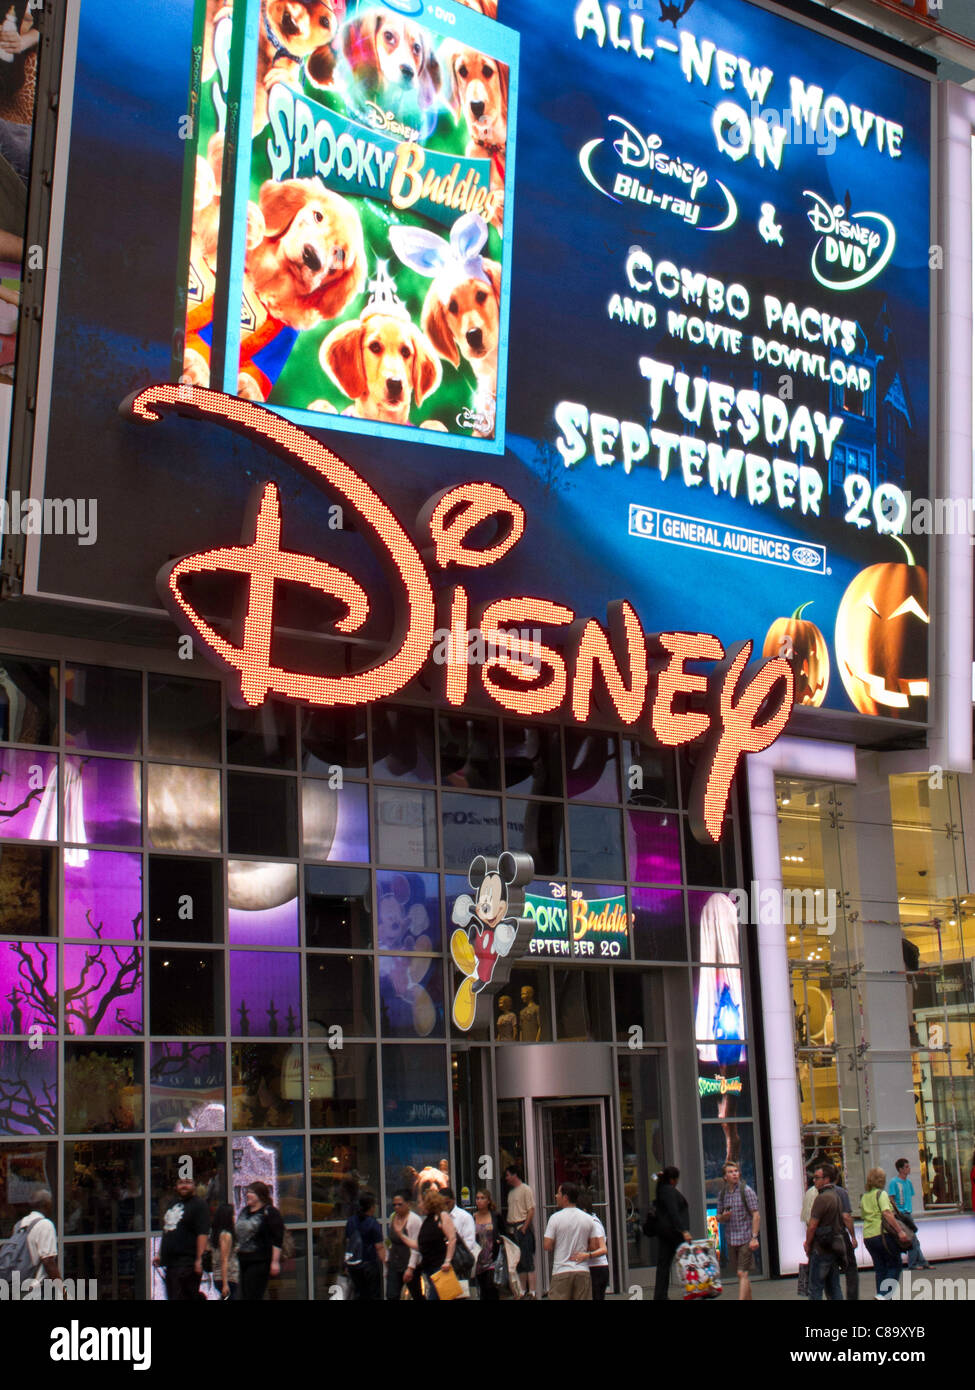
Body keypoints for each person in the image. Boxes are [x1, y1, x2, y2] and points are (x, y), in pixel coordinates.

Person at [153, 1175, 209, 1301]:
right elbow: (168, 1229)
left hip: (187, 1263)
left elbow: (202, 1234)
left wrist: (199, 1260)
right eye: (180, 1183)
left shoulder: (199, 1205)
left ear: (194, 1185)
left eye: (188, 1183)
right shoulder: (172, 1203)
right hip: (171, 1264)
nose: (184, 1186)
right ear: (176, 1186)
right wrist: (160, 1254)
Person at [398, 1186, 458, 1300]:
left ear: (429, 1203)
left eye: (421, 1202)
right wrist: (401, 1235)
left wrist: (447, 1261)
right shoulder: (427, 1220)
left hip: (440, 1268)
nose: (419, 1205)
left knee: (436, 1297)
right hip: (429, 1268)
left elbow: (452, 1238)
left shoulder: (442, 1216)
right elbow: (420, 1245)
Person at [543, 1182, 600, 1300]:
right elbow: (594, 1245)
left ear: (565, 1197)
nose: (555, 1196)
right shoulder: (588, 1219)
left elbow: (547, 1245)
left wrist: (561, 1243)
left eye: (558, 1193)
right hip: (582, 1270)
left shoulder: (555, 1218)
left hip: (561, 1270)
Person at [716, 1160, 759, 1300]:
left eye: (736, 1171)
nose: (734, 1174)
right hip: (731, 1238)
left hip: (745, 1237)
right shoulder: (723, 1194)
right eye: (730, 1172)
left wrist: (754, 1237)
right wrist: (723, 1216)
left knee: (742, 1273)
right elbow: (718, 1217)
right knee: (742, 1274)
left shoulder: (746, 1191)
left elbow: (756, 1214)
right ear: (725, 1177)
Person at [804, 1162, 846, 1301]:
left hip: (821, 1247)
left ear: (826, 1179)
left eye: (817, 1177)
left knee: (815, 1287)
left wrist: (808, 1244)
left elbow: (812, 1225)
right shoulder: (836, 1196)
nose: (814, 1180)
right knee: (834, 1287)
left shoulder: (821, 1198)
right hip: (833, 1245)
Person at [235, 1181, 285, 1301]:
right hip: (242, 1260)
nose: (247, 1195)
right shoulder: (245, 1211)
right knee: (244, 1295)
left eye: (251, 1192)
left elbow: (277, 1238)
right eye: (247, 1192)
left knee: (254, 1294)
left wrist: (275, 1262)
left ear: (260, 1195)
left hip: (260, 1261)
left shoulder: (270, 1212)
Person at [861, 1167, 904, 1298]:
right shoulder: (881, 1194)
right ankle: (883, 1294)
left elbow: (863, 1216)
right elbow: (886, 1213)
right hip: (882, 1234)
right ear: (881, 1180)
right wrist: (900, 1231)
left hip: (868, 1236)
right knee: (895, 1265)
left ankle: (882, 1295)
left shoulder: (865, 1196)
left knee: (880, 1268)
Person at [653, 1166, 691, 1302]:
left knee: (664, 1264)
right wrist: (684, 1230)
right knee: (688, 1259)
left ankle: (660, 1295)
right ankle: (695, 1287)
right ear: (673, 1179)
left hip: (666, 1232)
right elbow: (674, 1212)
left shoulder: (661, 1189)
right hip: (673, 1233)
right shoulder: (668, 1191)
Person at [11, 1187, 60, 1287]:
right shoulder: (45, 1224)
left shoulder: (19, 1224)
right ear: (46, 1205)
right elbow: (48, 1262)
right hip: (36, 1288)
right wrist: (63, 1292)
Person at [889, 1159, 933, 1270]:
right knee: (912, 1239)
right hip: (902, 1214)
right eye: (907, 1167)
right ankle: (914, 1263)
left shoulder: (908, 1182)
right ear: (901, 1169)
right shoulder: (894, 1182)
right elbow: (891, 1199)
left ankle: (921, 1261)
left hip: (908, 1213)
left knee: (914, 1239)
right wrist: (897, 1212)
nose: (909, 1169)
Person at [344, 1191, 385, 1300]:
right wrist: (386, 1264)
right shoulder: (373, 1223)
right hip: (369, 1264)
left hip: (354, 1265)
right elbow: (379, 1247)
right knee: (373, 1294)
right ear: (371, 1206)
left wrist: (346, 1264)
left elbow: (348, 1243)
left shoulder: (351, 1221)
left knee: (358, 1293)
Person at [504, 1163, 537, 1299]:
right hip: (512, 1229)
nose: (506, 1178)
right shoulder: (511, 1193)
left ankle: (533, 1291)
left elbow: (531, 1209)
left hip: (522, 1227)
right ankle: (523, 1290)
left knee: (528, 1260)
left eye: (507, 1175)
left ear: (514, 1175)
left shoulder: (525, 1189)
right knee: (519, 1262)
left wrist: (524, 1227)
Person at [386, 1189, 421, 1301]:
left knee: (416, 1294)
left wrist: (410, 1268)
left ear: (408, 1204)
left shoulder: (414, 1220)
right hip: (394, 1262)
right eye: (394, 1205)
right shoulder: (393, 1217)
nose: (396, 1207)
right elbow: (389, 1240)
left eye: (400, 1204)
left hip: (409, 1262)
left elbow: (415, 1246)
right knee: (392, 1294)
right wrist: (387, 1258)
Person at [832, 1167, 859, 1301]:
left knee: (830, 1271)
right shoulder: (841, 1192)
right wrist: (853, 1236)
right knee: (850, 1268)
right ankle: (852, 1297)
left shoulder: (813, 1192)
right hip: (840, 1235)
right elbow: (846, 1216)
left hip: (823, 1237)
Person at [578, 1191, 609, 1300]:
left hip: (597, 1268)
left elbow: (603, 1249)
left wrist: (587, 1255)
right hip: (592, 1268)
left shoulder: (594, 1223)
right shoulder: (588, 1223)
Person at [472, 1188, 502, 1300]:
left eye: (482, 1198)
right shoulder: (473, 1217)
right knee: (483, 1289)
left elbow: (503, 1232)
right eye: (477, 1198)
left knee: (491, 1286)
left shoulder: (495, 1216)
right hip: (479, 1258)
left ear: (488, 1201)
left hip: (492, 1257)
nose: (479, 1201)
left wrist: (500, 1240)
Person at [442, 1186, 477, 1274]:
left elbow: (469, 1242)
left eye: (447, 1203)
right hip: (443, 1261)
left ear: (453, 1200)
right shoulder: (439, 1217)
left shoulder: (464, 1217)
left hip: (460, 1262)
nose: (445, 1206)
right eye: (442, 1204)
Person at [209, 1203, 239, 1300]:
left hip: (219, 1276)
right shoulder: (226, 1235)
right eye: (233, 1215)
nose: (235, 1217)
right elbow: (224, 1259)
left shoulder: (215, 1234)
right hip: (228, 1277)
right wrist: (225, 1284)